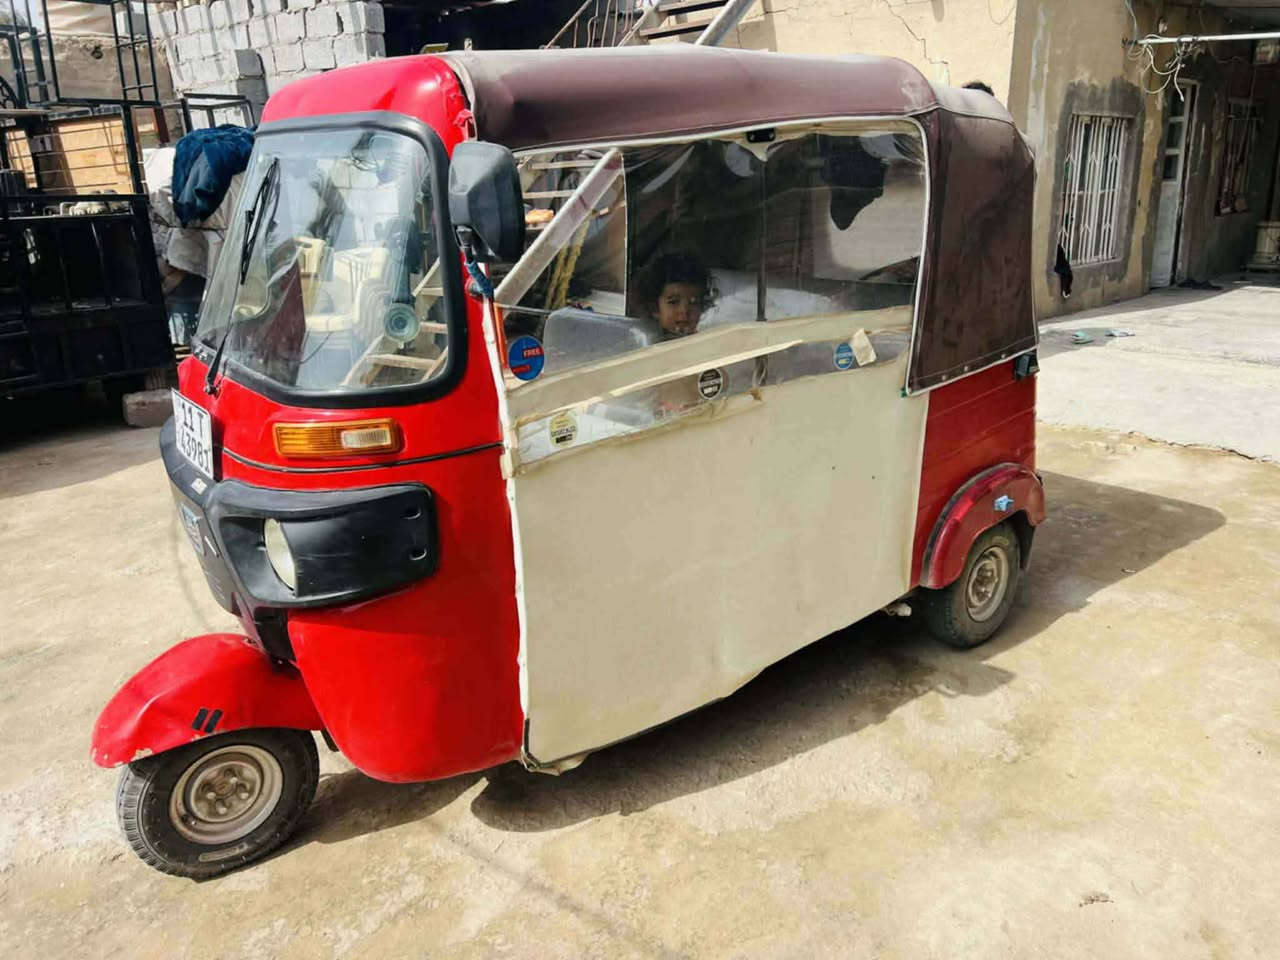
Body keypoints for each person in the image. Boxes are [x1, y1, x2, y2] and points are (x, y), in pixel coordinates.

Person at [635, 252, 717, 339]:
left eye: (694, 302)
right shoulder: (645, 341)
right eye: (674, 302)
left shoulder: (707, 339)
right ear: (654, 308)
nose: (684, 310)